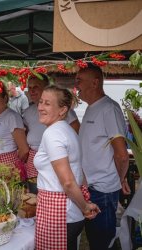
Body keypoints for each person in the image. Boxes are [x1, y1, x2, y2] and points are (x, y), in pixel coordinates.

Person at [34, 85, 100, 250]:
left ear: (62, 110)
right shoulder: (68, 130)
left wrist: (85, 207)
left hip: (58, 213)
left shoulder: (53, 134)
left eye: (47, 104)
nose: (40, 107)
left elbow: (68, 182)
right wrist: (84, 201)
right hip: (70, 213)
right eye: (41, 102)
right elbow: (80, 172)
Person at [75, 64, 130, 250]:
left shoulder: (109, 109)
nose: (76, 86)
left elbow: (122, 155)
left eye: (79, 81)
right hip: (90, 188)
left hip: (102, 191)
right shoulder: (92, 107)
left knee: (102, 243)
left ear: (95, 82)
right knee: (94, 240)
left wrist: (119, 179)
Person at [23, 74, 81, 184]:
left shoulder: (63, 111)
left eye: (36, 87)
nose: (32, 91)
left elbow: (76, 134)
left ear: (46, 88)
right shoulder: (27, 112)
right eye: (30, 88)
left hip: (58, 158)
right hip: (34, 159)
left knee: (55, 187)